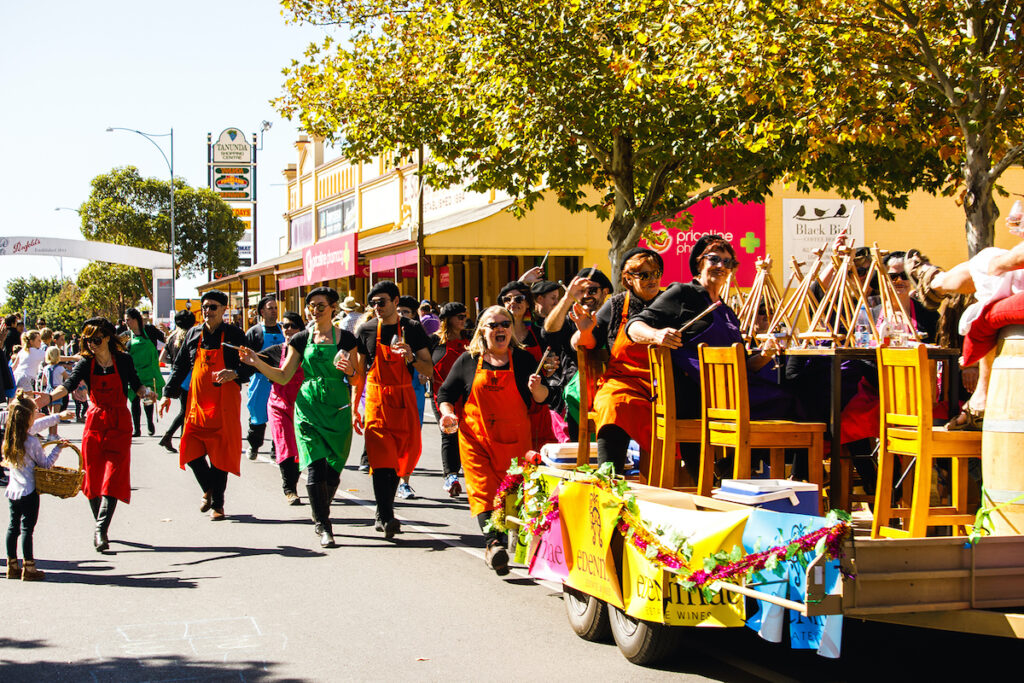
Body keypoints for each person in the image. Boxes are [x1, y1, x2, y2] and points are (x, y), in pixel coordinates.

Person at [240, 289, 358, 547]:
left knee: (332, 472)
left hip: (337, 408)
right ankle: (323, 525)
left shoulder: (347, 338)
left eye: (321, 306)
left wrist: (351, 371)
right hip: (307, 408)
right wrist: (255, 362)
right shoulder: (301, 339)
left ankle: (320, 506)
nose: (315, 311)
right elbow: (282, 376)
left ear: (333, 308)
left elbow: (358, 376)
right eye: (312, 306)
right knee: (314, 467)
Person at [437, 305, 550, 575]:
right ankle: (493, 545)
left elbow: (543, 399)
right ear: (482, 331)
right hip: (477, 441)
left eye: (505, 324)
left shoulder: (524, 361)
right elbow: (445, 394)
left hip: (516, 442)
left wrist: (538, 389)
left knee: (513, 496)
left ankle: (516, 541)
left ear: (511, 330)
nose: (500, 329)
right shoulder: (467, 360)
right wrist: (446, 414)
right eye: (493, 324)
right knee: (484, 494)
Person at [626, 235, 785, 419]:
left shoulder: (727, 312)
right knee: (790, 403)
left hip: (731, 395)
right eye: (714, 259)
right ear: (699, 263)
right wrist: (656, 335)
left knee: (792, 395)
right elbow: (633, 326)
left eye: (727, 262)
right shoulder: (683, 293)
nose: (721, 266)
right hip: (698, 399)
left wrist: (766, 354)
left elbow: (743, 366)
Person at [38, 318, 155, 551]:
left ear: (108, 338)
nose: (92, 344)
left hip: (119, 423)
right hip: (95, 422)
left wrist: (145, 393)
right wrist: (49, 398)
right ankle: (101, 526)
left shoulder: (123, 360)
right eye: (88, 340)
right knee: (92, 477)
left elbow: (136, 384)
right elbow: (68, 386)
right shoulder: (85, 363)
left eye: (96, 339)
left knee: (113, 475)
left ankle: (100, 530)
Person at [158, 290, 254, 520]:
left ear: (223, 309)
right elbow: (180, 365)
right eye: (204, 307)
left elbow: (252, 364)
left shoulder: (235, 334)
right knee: (189, 450)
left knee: (219, 454)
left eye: (212, 307)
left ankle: (218, 505)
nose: (207, 311)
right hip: (197, 402)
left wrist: (235, 373)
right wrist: (167, 394)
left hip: (225, 404)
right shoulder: (193, 333)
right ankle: (209, 488)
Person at [351, 281, 433, 539]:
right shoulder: (365, 330)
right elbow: (359, 373)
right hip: (376, 399)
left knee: (400, 457)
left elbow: (429, 369)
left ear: (396, 302)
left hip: (404, 398)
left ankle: (382, 511)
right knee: (380, 459)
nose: (377, 307)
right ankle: (386, 515)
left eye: (382, 301)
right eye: (373, 303)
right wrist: (355, 406)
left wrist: (410, 357)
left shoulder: (413, 329)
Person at [573, 248, 664, 473]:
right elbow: (587, 343)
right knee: (613, 404)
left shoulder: (669, 301)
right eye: (644, 275)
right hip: (624, 382)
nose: (652, 279)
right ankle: (610, 477)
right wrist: (584, 331)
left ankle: (668, 485)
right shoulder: (615, 305)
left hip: (663, 384)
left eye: (656, 273)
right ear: (628, 279)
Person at [3, 390, 73, 581]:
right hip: (29, 490)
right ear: (28, 418)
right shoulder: (32, 441)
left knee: (12, 528)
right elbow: (45, 464)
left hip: (13, 491)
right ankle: (29, 567)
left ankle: (11, 565)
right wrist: (58, 447)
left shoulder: (9, 439)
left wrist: (55, 417)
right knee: (27, 530)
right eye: (34, 414)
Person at [264, 312, 306, 506]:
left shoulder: (309, 352)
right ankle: (289, 488)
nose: (287, 330)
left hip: (303, 406)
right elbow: (251, 365)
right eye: (285, 326)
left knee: (299, 447)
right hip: (278, 405)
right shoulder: (274, 351)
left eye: (292, 326)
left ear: (301, 329)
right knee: (285, 445)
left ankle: (295, 484)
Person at [430, 302, 470, 497]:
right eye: (459, 317)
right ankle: (451, 476)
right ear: (447, 320)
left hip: (468, 394)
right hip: (442, 394)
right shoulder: (433, 341)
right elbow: (422, 362)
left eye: (465, 316)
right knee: (449, 433)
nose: (463, 320)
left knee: (469, 434)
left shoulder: (470, 338)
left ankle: (470, 472)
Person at [244, 295, 285, 461]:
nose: (274, 311)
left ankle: (277, 449)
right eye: (270, 308)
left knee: (280, 417)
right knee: (257, 417)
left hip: (280, 379)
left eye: (276, 308)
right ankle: (254, 445)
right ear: (262, 311)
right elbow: (246, 358)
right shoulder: (254, 332)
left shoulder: (283, 329)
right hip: (260, 380)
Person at [396, 295, 429, 499]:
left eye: (405, 312)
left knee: (411, 437)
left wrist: (423, 370)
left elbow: (427, 364)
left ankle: (404, 481)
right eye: (398, 311)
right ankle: (391, 477)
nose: (400, 315)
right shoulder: (379, 330)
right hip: (389, 391)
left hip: (413, 389)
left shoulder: (417, 333)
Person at [157, 310, 197, 453]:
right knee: (186, 410)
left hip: (176, 377)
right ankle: (169, 435)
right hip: (189, 377)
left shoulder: (172, 337)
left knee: (184, 409)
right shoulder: (192, 336)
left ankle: (182, 439)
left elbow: (161, 358)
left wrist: (173, 363)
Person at [123, 307, 166, 437]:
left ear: (136, 320)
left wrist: (166, 331)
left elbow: (164, 340)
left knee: (148, 400)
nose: (126, 323)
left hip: (149, 373)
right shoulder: (125, 336)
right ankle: (136, 429)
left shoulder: (149, 330)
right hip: (134, 374)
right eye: (125, 321)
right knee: (134, 401)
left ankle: (150, 423)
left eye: (128, 320)